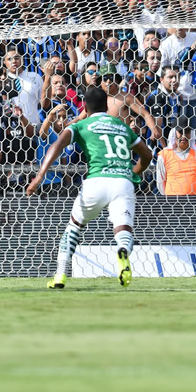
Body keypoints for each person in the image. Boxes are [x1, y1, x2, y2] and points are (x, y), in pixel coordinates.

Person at [26, 87, 153, 289]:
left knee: (74, 226)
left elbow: (57, 145)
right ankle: (122, 251)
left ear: (85, 107)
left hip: (96, 181)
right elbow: (147, 155)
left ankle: (60, 275)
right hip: (123, 182)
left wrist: (40, 176)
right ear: (107, 107)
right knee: (123, 229)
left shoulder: (81, 125)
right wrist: (133, 173)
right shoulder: (121, 126)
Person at [156, 124, 196, 195]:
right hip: (173, 199)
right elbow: (160, 182)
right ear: (174, 134)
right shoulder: (164, 155)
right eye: (180, 132)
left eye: (187, 132)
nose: (184, 136)